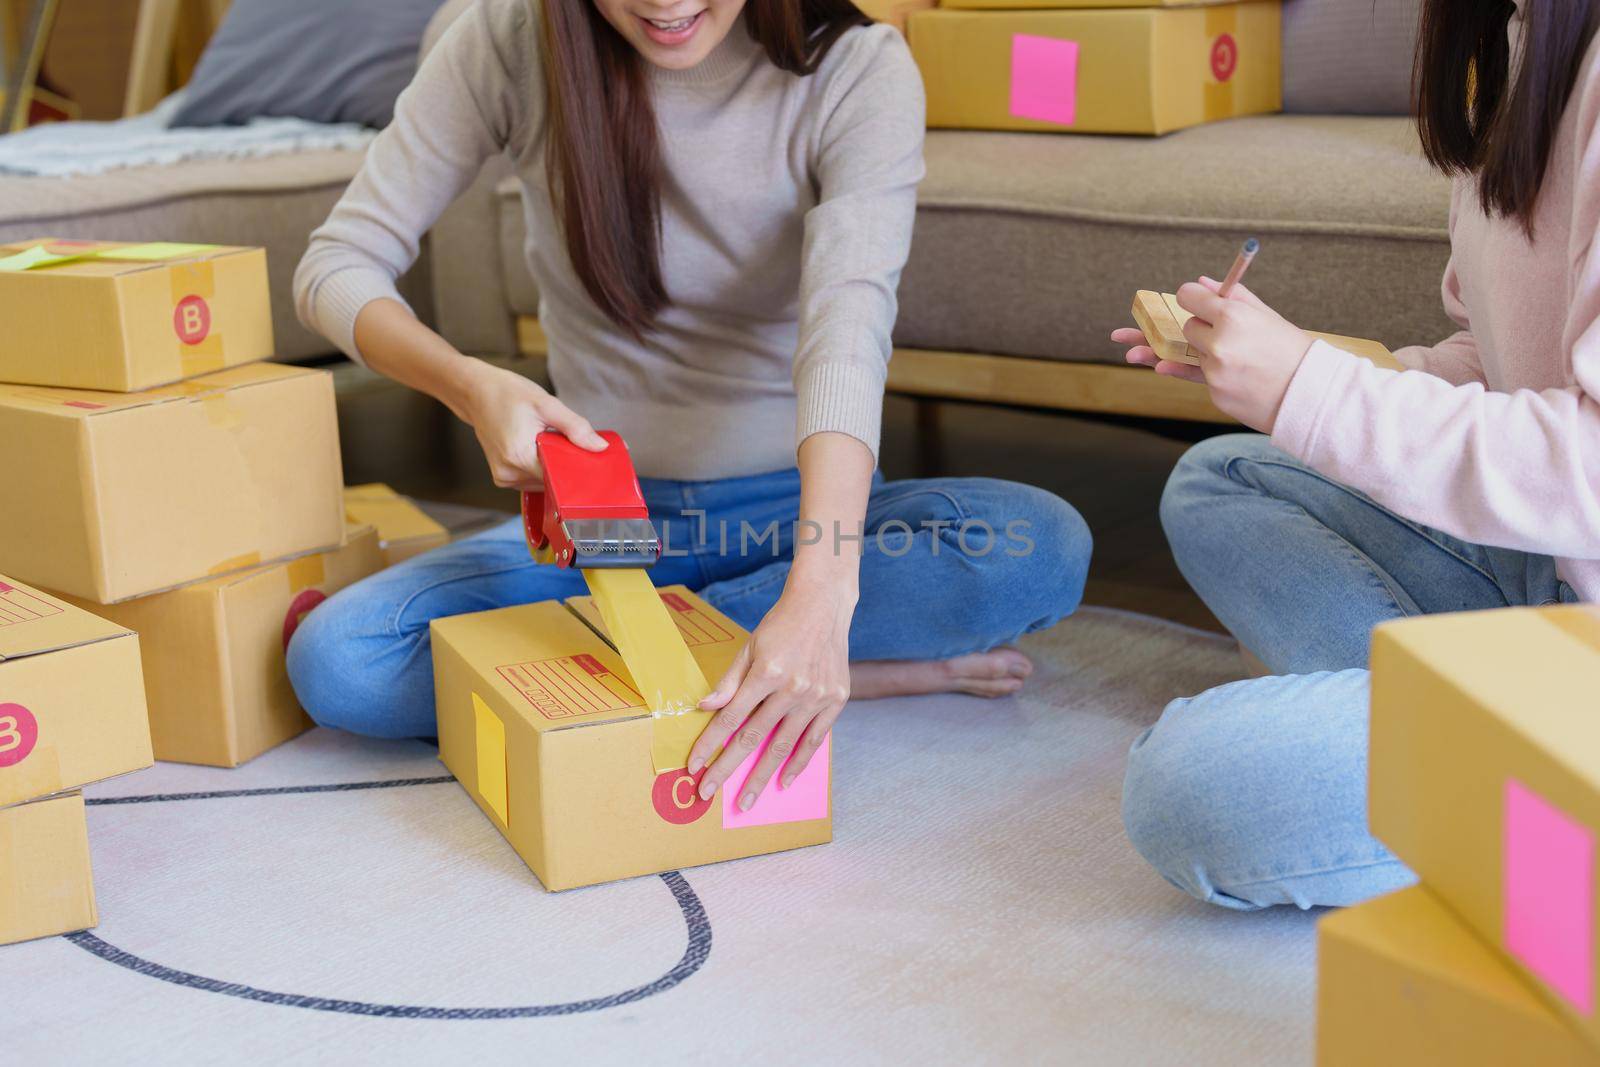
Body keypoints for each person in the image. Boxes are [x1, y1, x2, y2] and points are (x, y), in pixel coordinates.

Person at [288, 0, 1091, 808]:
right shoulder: (509, 43)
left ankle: (742, 657)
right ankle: (826, 670)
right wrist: (468, 384)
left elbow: (847, 331)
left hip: (797, 518)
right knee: (341, 661)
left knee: (1040, 548)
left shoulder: (858, 67)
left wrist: (821, 589)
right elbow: (336, 264)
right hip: (599, 528)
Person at [1113, 0, 1599, 910]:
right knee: (1220, 480)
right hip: (1554, 580)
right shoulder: (1512, 38)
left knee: (1190, 787)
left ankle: (1509, 766)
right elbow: (1494, 368)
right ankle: (1490, 748)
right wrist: (1296, 377)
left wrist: (1311, 390)